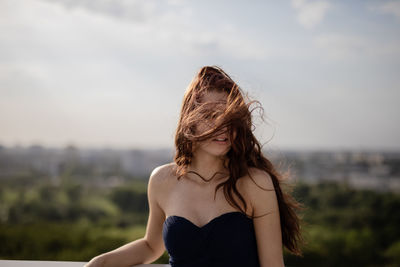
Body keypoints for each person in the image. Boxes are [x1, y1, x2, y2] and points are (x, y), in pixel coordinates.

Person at [85, 66, 303, 267]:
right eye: (210, 116)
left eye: (230, 118)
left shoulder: (255, 183)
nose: (222, 126)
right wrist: (99, 263)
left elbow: (272, 265)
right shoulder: (162, 180)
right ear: (190, 120)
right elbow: (152, 246)